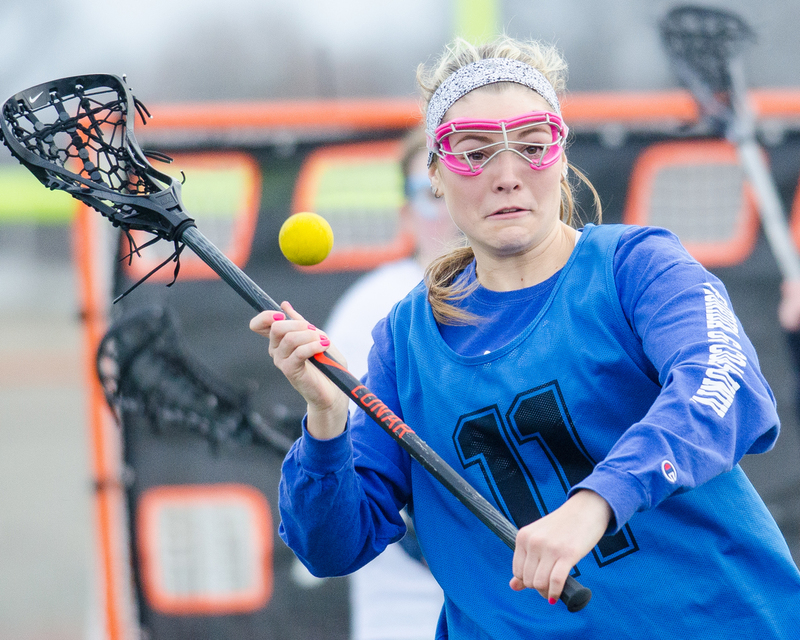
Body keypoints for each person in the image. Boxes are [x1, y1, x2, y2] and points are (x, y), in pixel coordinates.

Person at [251, 35, 800, 638]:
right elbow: (330, 547)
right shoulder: (405, 342)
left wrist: (599, 501)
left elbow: (725, 387)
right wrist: (325, 421)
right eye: (475, 153)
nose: (507, 177)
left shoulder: (637, 267)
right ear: (435, 174)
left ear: (561, 159)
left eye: (533, 147)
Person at [323, 127, 457, 640]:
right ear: (406, 214)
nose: (450, 209)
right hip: (405, 611)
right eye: (431, 194)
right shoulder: (372, 307)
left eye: (457, 184)